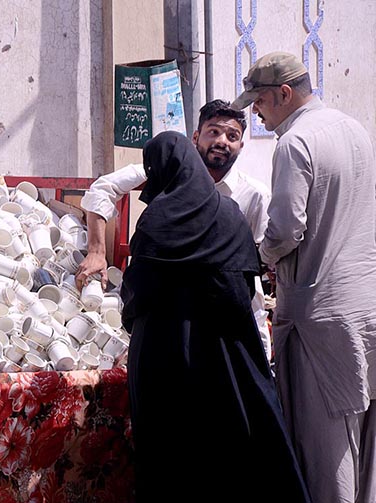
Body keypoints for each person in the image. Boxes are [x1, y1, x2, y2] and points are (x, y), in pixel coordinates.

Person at [118, 131, 309, 502]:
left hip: (163, 351)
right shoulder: (229, 213)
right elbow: (243, 287)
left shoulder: (156, 218)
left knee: (169, 453)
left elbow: (138, 289)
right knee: (232, 442)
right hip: (226, 349)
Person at [233, 51, 376, 502]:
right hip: (365, 307)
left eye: (258, 101)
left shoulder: (295, 143)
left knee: (325, 450)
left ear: (284, 94)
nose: (256, 110)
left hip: (320, 318)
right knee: (367, 446)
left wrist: (254, 256)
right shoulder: (354, 129)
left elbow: (286, 230)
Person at [78, 100, 274, 359]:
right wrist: (97, 251)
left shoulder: (254, 195)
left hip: (230, 316)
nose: (222, 141)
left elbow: (261, 260)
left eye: (232, 136)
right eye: (213, 132)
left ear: (241, 146)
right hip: (175, 315)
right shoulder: (166, 170)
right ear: (196, 137)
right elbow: (102, 189)